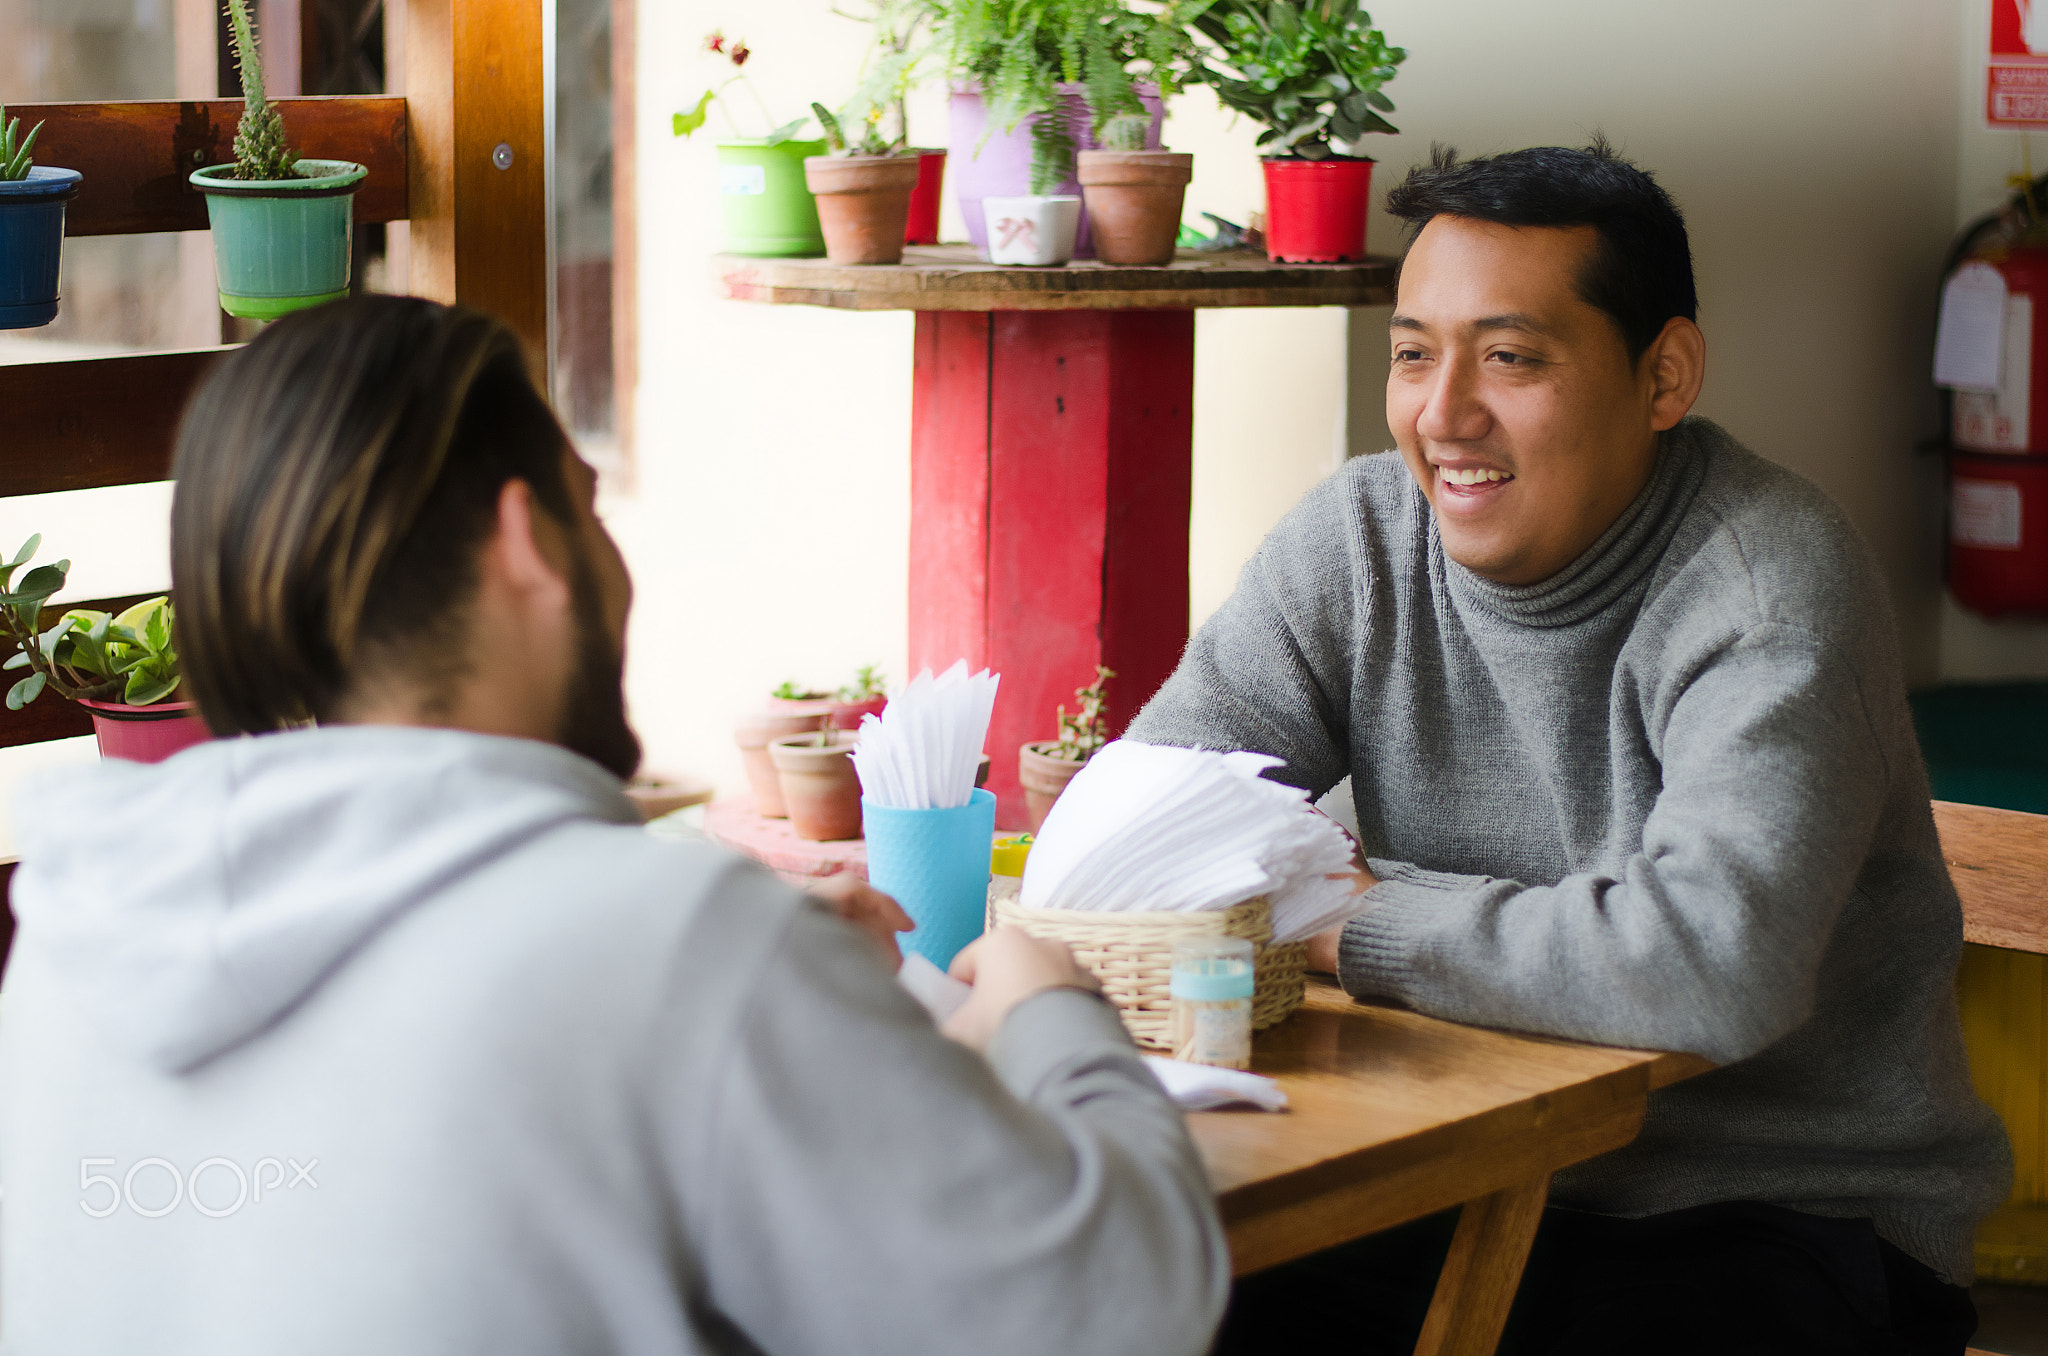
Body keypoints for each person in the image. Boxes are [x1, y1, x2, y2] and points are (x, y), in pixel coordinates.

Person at [0, 296, 1229, 1354]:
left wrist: (782, 981)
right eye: (589, 511)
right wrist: (1039, 1010)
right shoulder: (674, 946)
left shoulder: (71, 943)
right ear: (528, 542)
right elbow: (1119, 1309)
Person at [1127, 142, 2012, 1356]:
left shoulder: (1763, 585)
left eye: (1509, 357)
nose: (1442, 415)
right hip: (1452, 1160)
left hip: (1774, 1213)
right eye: (1410, 353)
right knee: (1120, 1295)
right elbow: (1151, 821)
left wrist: (1350, 917)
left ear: (1664, 374)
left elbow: (1709, 969)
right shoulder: (1356, 540)